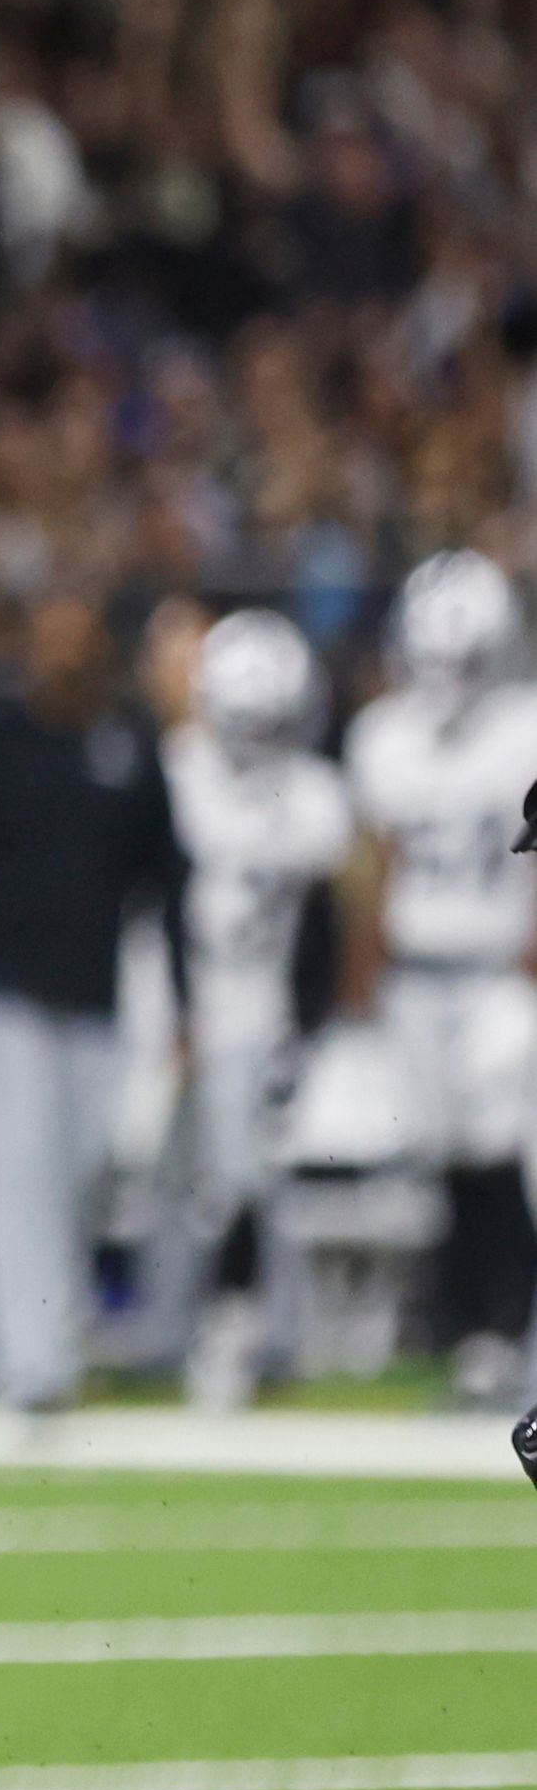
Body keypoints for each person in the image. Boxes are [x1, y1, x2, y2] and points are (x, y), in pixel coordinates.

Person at [0, 586, 184, 1416]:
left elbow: (167, 882)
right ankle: (27, 1365)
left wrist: (184, 998)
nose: (64, 659)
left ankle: (53, 1342)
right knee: (14, 1176)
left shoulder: (127, 752)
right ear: (28, 650)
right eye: (51, 642)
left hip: (93, 999)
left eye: (79, 643)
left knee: (81, 1174)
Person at [343, 551, 537, 1408]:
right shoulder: (381, 737)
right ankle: (471, 1336)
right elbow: (372, 865)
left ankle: (501, 1332)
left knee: (502, 1158)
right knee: (445, 1163)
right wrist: (363, 983)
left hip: (502, 971)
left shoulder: (526, 726)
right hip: (417, 977)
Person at [156, 609, 350, 1407]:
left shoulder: (313, 794)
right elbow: (157, 898)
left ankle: (234, 1330)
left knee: (237, 1178)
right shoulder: (175, 770)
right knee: (155, 1173)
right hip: (171, 998)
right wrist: (173, 1010)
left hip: (258, 1002)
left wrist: (304, 1022)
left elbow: (323, 923)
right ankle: (171, 1331)